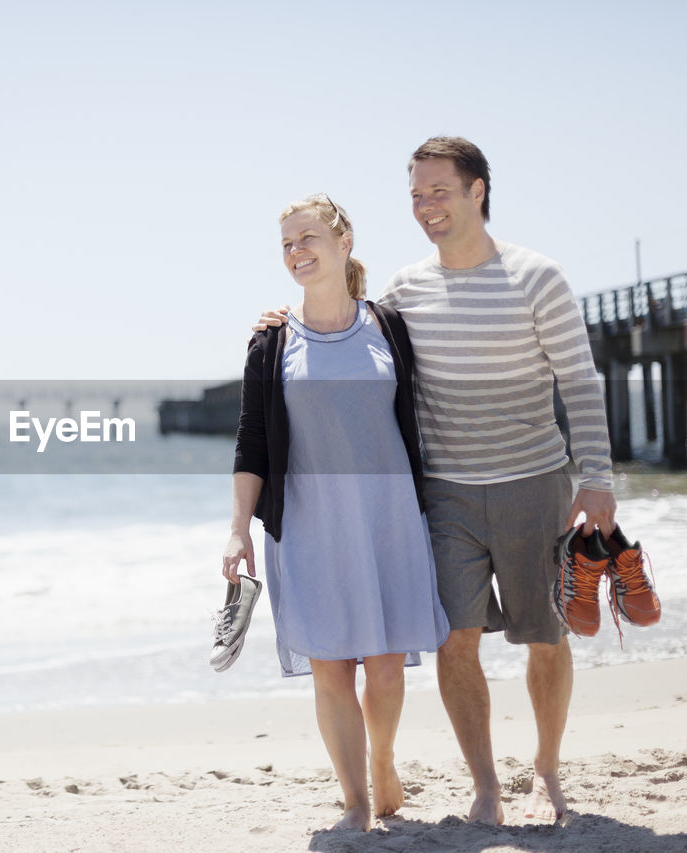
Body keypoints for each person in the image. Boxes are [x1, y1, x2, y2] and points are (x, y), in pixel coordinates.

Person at [254, 138, 618, 824]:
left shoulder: (538, 277)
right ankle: (485, 783)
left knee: (546, 634)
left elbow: (580, 380)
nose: (426, 207)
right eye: (416, 195)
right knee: (456, 638)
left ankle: (545, 767)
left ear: (478, 189)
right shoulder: (406, 292)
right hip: (446, 494)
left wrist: (596, 476)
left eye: (439, 191)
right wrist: (281, 324)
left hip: (533, 482)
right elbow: (344, 323)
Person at [224, 194, 450, 833]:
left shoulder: (387, 326)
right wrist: (238, 528)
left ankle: (382, 760)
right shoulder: (271, 342)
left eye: (307, 237)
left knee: (382, 666)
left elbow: (423, 413)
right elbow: (252, 442)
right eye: (287, 244)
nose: (297, 251)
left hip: (387, 517)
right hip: (311, 522)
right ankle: (354, 799)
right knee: (331, 666)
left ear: (343, 240)